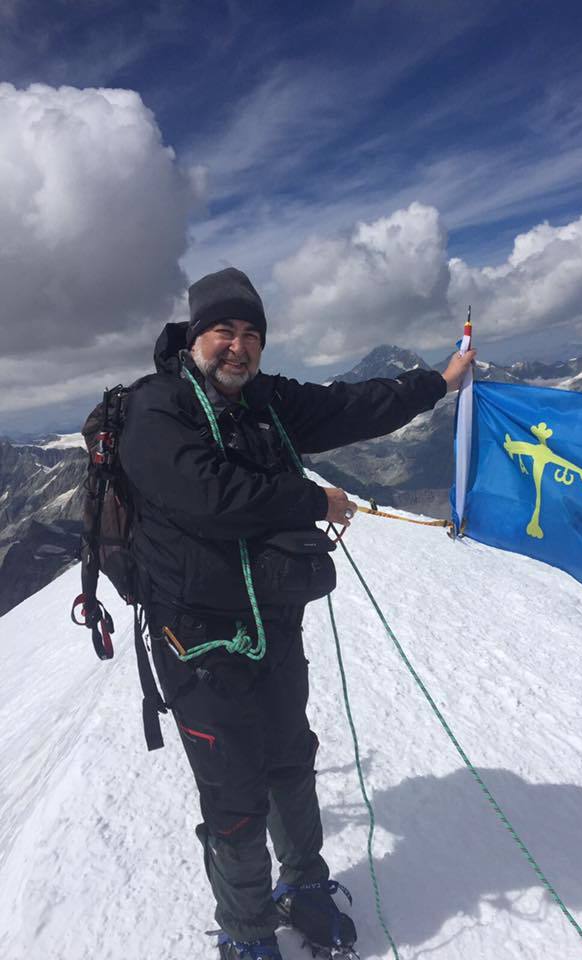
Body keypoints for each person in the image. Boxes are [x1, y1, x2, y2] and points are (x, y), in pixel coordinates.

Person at [119, 267, 475, 960]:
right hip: (193, 641)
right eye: (224, 329)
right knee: (234, 789)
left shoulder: (268, 401)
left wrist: (439, 381)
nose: (238, 346)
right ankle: (247, 931)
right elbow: (205, 494)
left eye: (252, 333)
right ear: (196, 335)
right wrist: (313, 501)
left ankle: (304, 885)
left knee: (290, 758)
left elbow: (351, 405)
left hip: (272, 623)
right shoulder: (155, 407)